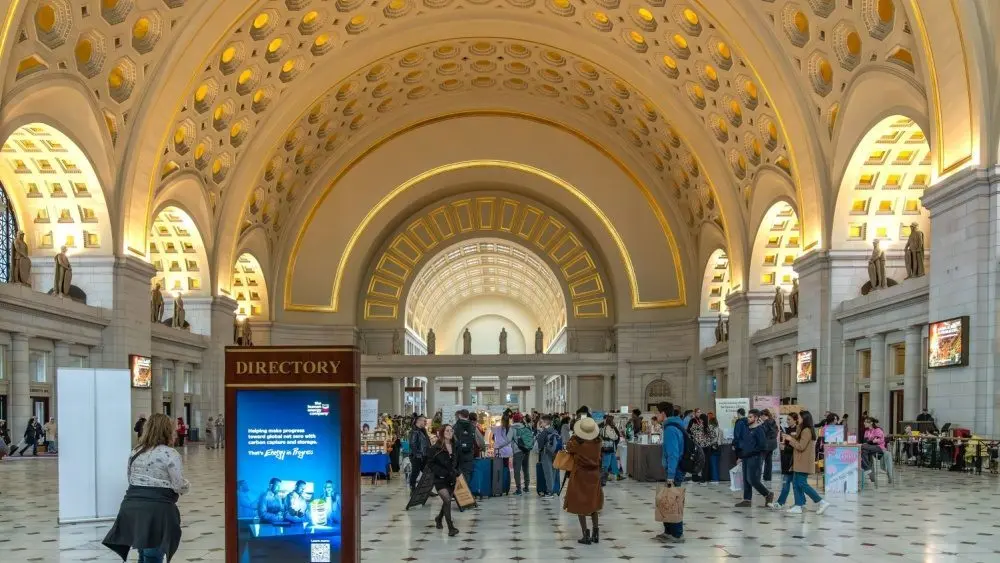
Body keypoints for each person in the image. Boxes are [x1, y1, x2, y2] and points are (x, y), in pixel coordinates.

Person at [103, 413, 189, 563]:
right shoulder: (170, 454)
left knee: (144, 553)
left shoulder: (136, 451)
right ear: (167, 430)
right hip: (156, 511)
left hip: (131, 508)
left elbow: (130, 478)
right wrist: (187, 485)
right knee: (153, 555)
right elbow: (178, 485)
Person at [563, 416, 603, 545]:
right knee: (593, 504)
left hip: (580, 475)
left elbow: (568, 447)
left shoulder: (577, 443)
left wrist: (574, 436)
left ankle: (586, 534)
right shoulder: (598, 442)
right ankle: (596, 533)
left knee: (580, 504)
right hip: (594, 475)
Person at [782, 410, 830, 514]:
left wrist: (791, 439)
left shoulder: (807, 430)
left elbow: (801, 446)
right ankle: (799, 505)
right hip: (799, 461)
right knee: (796, 483)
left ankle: (821, 501)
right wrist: (792, 437)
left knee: (802, 484)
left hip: (803, 462)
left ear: (804, 418)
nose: (797, 419)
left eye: (799, 417)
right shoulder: (803, 429)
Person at [653, 401, 685, 543]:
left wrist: (671, 475)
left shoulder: (671, 429)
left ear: (663, 414)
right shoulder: (673, 426)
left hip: (675, 471)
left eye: (657, 412)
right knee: (667, 500)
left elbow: (673, 454)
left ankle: (677, 534)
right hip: (674, 470)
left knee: (673, 501)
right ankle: (668, 532)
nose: (655, 415)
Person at [735, 408, 773, 508]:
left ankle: (768, 494)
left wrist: (750, 453)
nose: (748, 418)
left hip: (755, 458)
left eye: (750, 417)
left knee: (753, 480)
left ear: (756, 418)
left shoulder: (759, 430)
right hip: (746, 457)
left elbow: (762, 446)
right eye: (748, 416)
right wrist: (742, 456)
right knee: (746, 480)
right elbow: (746, 444)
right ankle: (747, 500)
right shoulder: (748, 428)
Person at [427, 424, 461, 536]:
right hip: (440, 479)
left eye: (451, 431)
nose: (450, 433)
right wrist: (441, 473)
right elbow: (431, 464)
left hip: (451, 478)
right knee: (446, 500)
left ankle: (438, 518)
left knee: (446, 502)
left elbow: (457, 462)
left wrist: (457, 472)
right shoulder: (435, 448)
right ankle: (451, 528)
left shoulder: (455, 446)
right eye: (447, 431)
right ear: (441, 433)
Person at [769, 412, 799, 511]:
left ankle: (799, 504)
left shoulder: (798, 431)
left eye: (789, 419)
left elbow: (797, 447)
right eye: (787, 419)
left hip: (794, 461)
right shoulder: (786, 430)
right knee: (785, 483)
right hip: (786, 460)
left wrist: (785, 448)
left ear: (795, 420)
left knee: (795, 485)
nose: (787, 421)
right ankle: (780, 503)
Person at [453, 410, 478, 490]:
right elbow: (478, 441)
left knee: (457, 474)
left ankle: (458, 494)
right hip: (469, 454)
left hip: (457, 454)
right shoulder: (472, 426)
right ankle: (466, 495)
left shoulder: (455, 426)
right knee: (467, 475)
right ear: (468, 416)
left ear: (459, 415)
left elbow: (452, 440)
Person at [536, 415, 559, 497]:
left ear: (545, 422)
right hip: (554, 453)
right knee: (553, 471)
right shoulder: (554, 430)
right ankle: (552, 489)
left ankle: (549, 492)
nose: (540, 423)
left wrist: (539, 431)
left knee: (547, 472)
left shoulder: (544, 432)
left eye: (541, 422)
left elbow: (539, 445)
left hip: (546, 453)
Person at [409, 415, 431, 491]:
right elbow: (412, 444)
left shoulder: (422, 430)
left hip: (424, 455)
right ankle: (412, 488)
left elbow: (426, 443)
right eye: (424, 421)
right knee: (415, 472)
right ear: (419, 421)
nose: (425, 422)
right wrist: (418, 455)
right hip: (417, 456)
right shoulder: (415, 431)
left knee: (427, 473)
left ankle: (427, 489)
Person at [598, 414, 621, 485]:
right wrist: (616, 435)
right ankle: (602, 479)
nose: (613, 421)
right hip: (608, 447)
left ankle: (617, 475)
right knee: (606, 463)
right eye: (612, 420)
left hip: (609, 447)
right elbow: (614, 436)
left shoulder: (605, 427)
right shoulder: (608, 428)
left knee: (613, 461)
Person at [860, 417, 886, 482]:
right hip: (869, 448)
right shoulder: (867, 431)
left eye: (866, 422)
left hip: (879, 447)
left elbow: (876, 441)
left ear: (871, 423)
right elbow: (866, 441)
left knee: (862, 447)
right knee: (863, 451)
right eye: (864, 421)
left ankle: (867, 469)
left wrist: (868, 442)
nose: (864, 423)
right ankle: (869, 470)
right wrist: (868, 442)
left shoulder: (878, 430)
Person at [689, 414, 711, 485]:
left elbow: (691, 431)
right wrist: (709, 442)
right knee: (705, 463)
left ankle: (703, 479)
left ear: (701, 419)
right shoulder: (709, 427)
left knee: (700, 463)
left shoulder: (699, 426)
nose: (699, 420)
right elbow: (713, 436)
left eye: (700, 419)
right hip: (707, 447)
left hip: (701, 447)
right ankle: (704, 479)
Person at [761, 409, 778, 482]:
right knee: (769, 461)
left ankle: (757, 477)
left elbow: (763, 434)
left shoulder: (765, 423)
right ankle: (767, 477)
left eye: (761, 416)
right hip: (772, 444)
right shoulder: (773, 422)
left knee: (760, 461)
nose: (760, 418)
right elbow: (775, 433)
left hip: (766, 444)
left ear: (764, 416)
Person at [707, 415, 723, 483]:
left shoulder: (711, 430)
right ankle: (715, 478)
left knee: (713, 464)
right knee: (716, 464)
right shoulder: (720, 430)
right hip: (719, 448)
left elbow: (710, 440)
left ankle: (715, 479)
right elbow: (721, 441)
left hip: (713, 449)